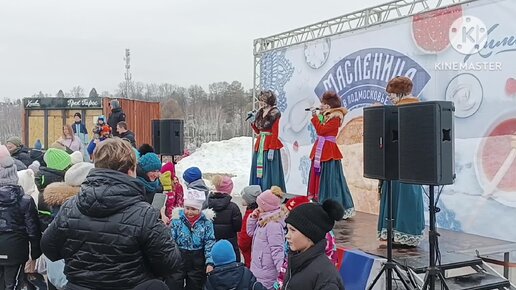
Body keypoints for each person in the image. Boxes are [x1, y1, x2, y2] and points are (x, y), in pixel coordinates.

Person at [40, 138, 181, 290]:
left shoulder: (70, 208)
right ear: (130, 170)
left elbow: (49, 249)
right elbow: (170, 263)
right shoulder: (144, 214)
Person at [377, 76, 425, 247]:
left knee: (404, 197)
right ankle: (398, 233)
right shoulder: (411, 108)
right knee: (401, 196)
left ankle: (403, 233)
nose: (389, 96)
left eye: (391, 93)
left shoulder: (407, 109)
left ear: (400, 92)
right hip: (404, 162)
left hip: (403, 163)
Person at [42, 162, 94, 290]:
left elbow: (48, 246)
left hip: (62, 277)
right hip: (78, 278)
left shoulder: (57, 205)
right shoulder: (84, 206)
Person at [0, 145, 42, 290]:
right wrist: (35, 253)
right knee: (14, 283)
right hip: (16, 249)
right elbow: (33, 230)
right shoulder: (25, 200)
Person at [308, 91, 355, 219]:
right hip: (320, 148)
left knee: (331, 180)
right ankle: (319, 202)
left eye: (323, 103)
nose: (321, 105)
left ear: (328, 105)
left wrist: (314, 117)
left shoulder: (336, 116)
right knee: (320, 177)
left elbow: (321, 130)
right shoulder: (326, 115)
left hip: (328, 150)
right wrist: (318, 116)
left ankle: (334, 206)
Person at [275, 196, 338, 289]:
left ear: (309, 234)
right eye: (287, 230)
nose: (287, 236)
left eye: (292, 230)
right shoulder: (295, 260)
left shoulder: (325, 277)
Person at [168, 188, 216, 290]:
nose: (189, 212)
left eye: (193, 209)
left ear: (199, 209)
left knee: (195, 285)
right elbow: (170, 241)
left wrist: (210, 262)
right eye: (187, 208)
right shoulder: (177, 220)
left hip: (197, 259)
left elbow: (209, 242)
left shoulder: (206, 222)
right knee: (174, 283)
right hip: (179, 257)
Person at [247, 186, 286, 289]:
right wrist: (253, 218)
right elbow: (250, 232)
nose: (257, 207)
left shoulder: (273, 225)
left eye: (259, 205)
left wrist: (282, 275)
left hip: (267, 275)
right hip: (258, 269)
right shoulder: (263, 219)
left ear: (266, 206)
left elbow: (277, 250)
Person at [248, 90, 286, 193]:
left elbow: (275, 132)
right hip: (260, 143)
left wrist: (272, 148)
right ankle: (256, 192)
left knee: (269, 171)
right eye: (260, 100)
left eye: (263, 100)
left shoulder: (275, 113)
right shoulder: (260, 112)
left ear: (269, 101)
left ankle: (270, 192)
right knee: (258, 169)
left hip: (269, 143)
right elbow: (258, 131)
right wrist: (252, 122)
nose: (261, 102)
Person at [207, 175, 242, 262]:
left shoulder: (207, 205)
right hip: (230, 245)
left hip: (212, 244)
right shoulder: (234, 207)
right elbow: (238, 227)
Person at [238, 185, 261, 268]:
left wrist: (241, 245)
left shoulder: (249, 215)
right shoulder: (258, 212)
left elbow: (245, 234)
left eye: (243, 198)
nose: (242, 199)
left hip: (249, 250)